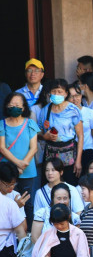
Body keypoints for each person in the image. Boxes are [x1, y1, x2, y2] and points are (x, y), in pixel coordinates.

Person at [0, 91, 39, 220]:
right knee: (6, 199)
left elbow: (33, 148)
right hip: (8, 170)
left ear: (23, 108)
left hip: (27, 169)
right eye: (11, 104)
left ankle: (28, 232)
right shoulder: (2, 124)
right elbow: (2, 148)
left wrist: (23, 164)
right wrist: (19, 164)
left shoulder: (30, 124)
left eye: (17, 104)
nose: (14, 107)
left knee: (28, 201)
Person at [37, 79, 84, 178]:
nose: (56, 94)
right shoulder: (45, 111)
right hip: (51, 155)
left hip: (69, 154)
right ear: (49, 93)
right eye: (54, 91)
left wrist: (78, 160)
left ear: (66, 94)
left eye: (60, 92)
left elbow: (80, 136)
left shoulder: (73, 110)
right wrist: (45, 137)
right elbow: (38, 133)